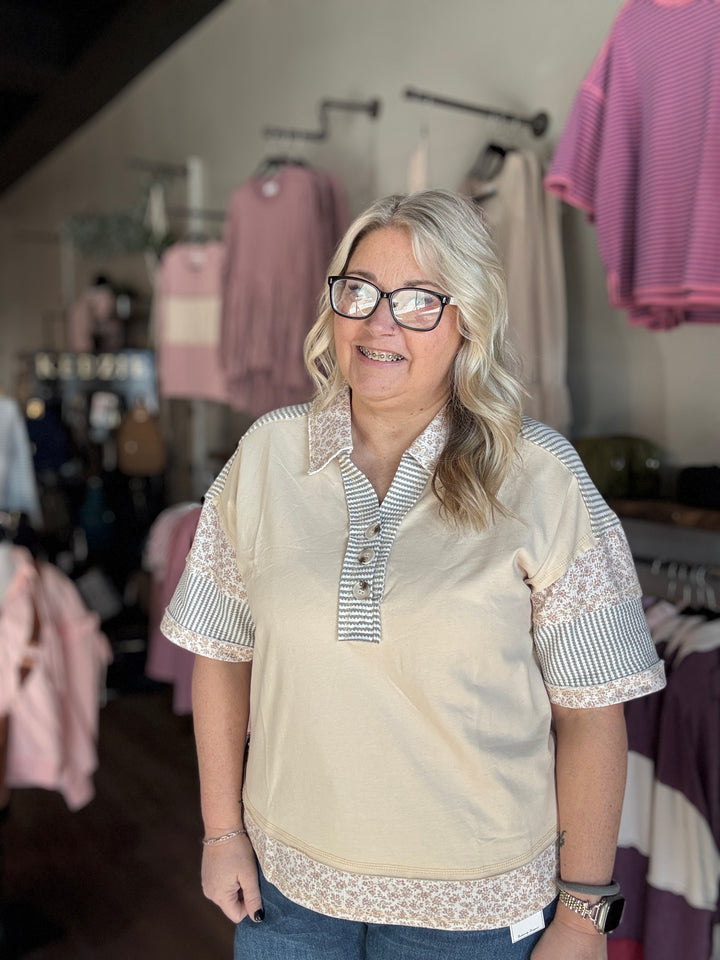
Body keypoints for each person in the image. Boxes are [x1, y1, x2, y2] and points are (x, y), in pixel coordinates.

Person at [161, 189, 666, 960]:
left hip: (475, 912)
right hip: (285, 889)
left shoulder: (541, 476)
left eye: (420, 300)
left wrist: (581, 915)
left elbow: (592, 715)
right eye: (359, 291)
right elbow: (222, 656)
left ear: (469, 319)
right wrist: (221, 831)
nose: (379, 323)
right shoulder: (267, 456)